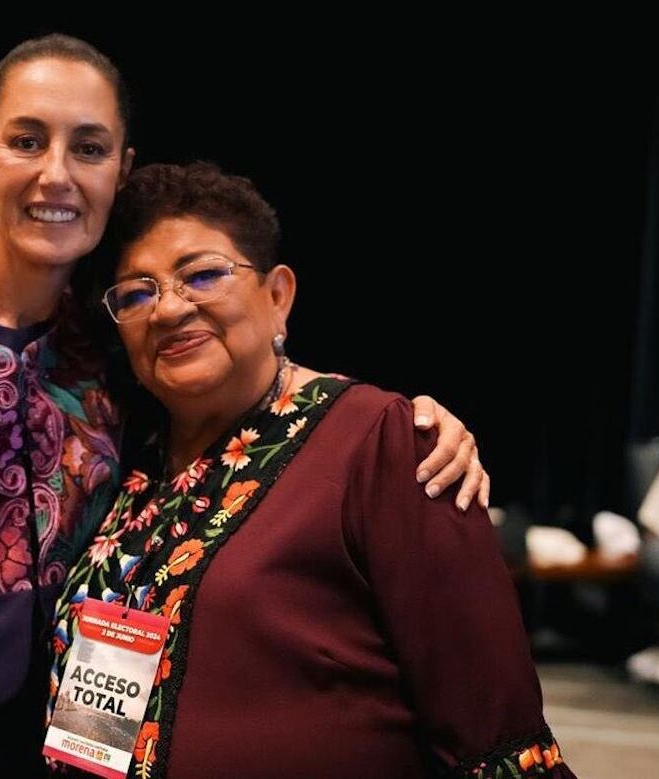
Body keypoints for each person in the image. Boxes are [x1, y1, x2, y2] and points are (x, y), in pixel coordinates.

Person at [0, 35, 490, 777]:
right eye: (26, 141)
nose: (56, 173)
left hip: (85, 749)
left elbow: (250, 396)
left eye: (88, 148)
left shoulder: (124, 340)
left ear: (120, 169)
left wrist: (407, 418)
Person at [43, 162, 573, 777]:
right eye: (137, 293)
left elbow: (496, 731)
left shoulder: (383, 445)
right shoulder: (127, 463)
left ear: (277, 297)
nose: (167, 309)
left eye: (202, 275)